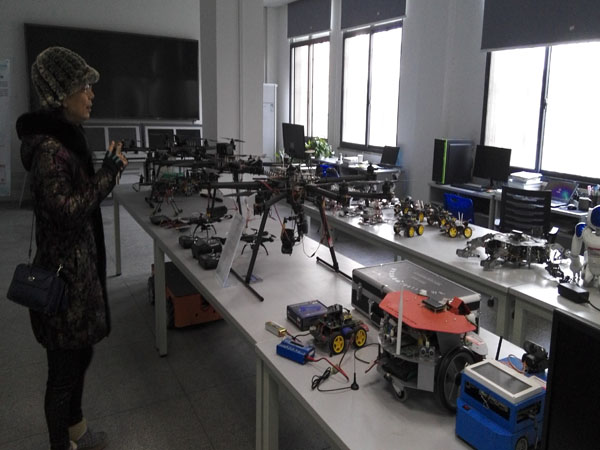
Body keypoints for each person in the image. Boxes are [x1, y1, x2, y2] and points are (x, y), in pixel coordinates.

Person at [16, 47, 128, 450]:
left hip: (78, 273)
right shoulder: (50, 150)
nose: (91, 95)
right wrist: (108, 175)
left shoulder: (66, 140)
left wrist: (104, 174)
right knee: (62, 373)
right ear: (61, 95)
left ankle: (76, 429)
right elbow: (67, 211)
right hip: (63, 281)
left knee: (80, 356)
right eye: (84, 87)